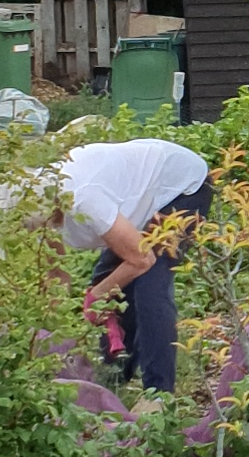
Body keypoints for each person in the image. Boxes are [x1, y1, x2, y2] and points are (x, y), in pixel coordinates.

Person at [56, 132, 214, 392]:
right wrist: (57, 325)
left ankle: (159, 393)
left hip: (182, 186)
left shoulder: (83, 198)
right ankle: (114, 377)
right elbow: (55, 278)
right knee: (108, 277)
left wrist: (97, 296)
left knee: (149, 286)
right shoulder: (37, 206)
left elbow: (142, 260)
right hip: (142, 196)